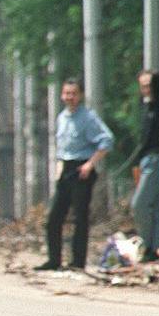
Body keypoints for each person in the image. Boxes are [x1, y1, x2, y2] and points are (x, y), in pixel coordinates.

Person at [35, 77, 113, 271]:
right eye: (66, 93)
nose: (69, 97)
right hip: (66, 169)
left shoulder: (88, 117)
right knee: (54, 217)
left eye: (73, 94)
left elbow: (107, 141)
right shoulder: (62, 118)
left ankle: (77, 262)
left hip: (82, 169)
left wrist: (90, 164)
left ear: (80, 95)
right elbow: (62, 148)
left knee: (80, 218)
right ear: (62, 95)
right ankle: (54, 260)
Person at [131, 70, 159, 262]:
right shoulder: (147, 107)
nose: (146, 90)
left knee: (139, 204)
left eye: (149, 85)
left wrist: (155, 81)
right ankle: (157, 248)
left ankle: (148, 244)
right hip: (148, 159)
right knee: (156, 207)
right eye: (142, 86)